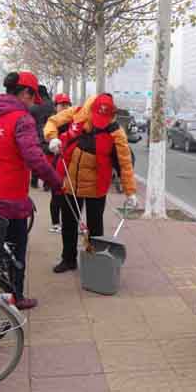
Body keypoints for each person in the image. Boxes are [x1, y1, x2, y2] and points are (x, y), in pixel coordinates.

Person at [0, 71, 63, 309]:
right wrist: (56, 181)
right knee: (15, 251)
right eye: (33, 98)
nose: (33, 104)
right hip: (8, 199)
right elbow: (34, 158)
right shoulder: (22, 119)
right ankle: (16, 296)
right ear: (25, 93)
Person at [44, 93, 137, 274]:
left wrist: (130, 192)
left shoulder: (116, 133)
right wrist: (52, 137)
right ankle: (68, 259)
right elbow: (52, 121)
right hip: (71, 181)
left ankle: (94, 262)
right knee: (69, 224)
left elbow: (125, 164)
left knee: (95, 228)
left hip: (97, 186)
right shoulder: (77, 113)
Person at [47, 93, 72, 234]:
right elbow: (43, 142)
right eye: (61, 105)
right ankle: (55, 223)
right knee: (57, 194)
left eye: (67, 104)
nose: (64, 107)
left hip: (70, 162)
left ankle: (70, 222)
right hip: (55, 162)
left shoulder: (74, 122)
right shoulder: (51, 123)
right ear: (55, 107)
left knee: (70, 194)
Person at [29, 85, 55, 189]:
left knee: (36, 160)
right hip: (49, 135)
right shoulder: (52, 105)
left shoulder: (35, 106)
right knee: (49, 161)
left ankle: (34, 181)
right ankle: (47, 183)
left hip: (37, 136)